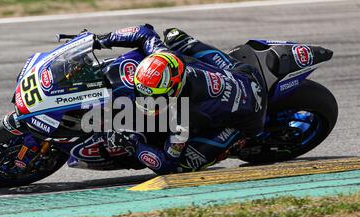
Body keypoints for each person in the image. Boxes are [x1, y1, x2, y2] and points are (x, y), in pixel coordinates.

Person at [94, 24, 267, 174]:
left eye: (153, 97)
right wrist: (101, 40)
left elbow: (167, 163)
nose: (144, 100)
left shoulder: (182, 118)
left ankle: (238, 143)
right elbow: (143, 32)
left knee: (184, 165)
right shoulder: (164, 56)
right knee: (174, 36)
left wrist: (133, 144)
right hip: (243, 73)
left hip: (251, 114)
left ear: (173, 91)